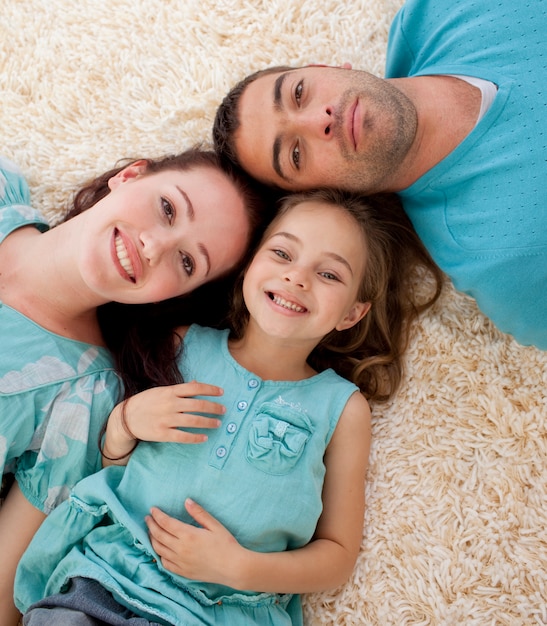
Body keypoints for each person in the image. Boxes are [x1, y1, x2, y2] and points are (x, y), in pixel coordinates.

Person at [15, 189, 442, 625]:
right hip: (109, 578)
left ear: (352, 313)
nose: (297, 278)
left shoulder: (341, 408)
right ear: (249, 266)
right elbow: (113, 468)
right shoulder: (181, 344)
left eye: (329, 274)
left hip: (216, 614)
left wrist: (239, 567)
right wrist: (127, 422)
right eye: (281, 253)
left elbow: (336, 555)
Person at [0, 149, 267, 625]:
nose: (153, 246)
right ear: (129, 175)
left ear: (177, 296)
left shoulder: (82, 403)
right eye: (167, 208)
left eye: (186, 262)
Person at [212, 0, 547, 351]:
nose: (319, 120)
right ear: (323, 193)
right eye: (296, 154)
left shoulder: (436, 13)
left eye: (299, 93)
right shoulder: (499, 260)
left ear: (323, 67)